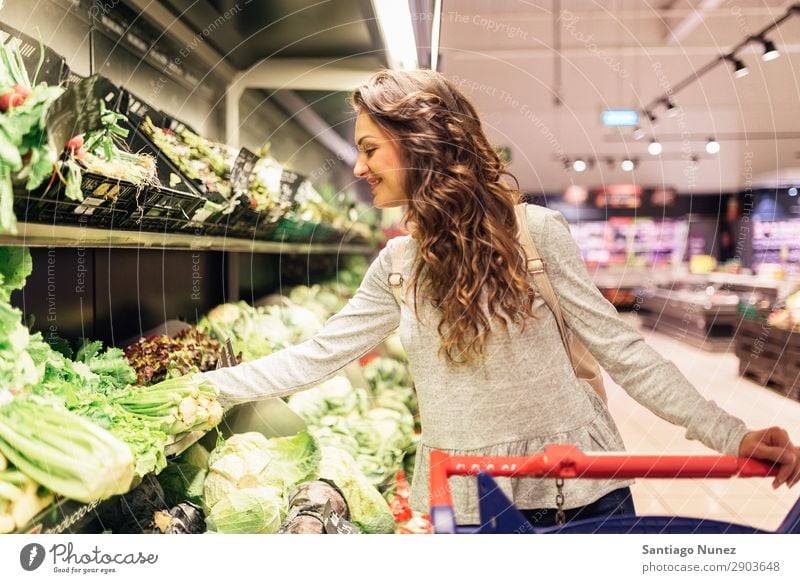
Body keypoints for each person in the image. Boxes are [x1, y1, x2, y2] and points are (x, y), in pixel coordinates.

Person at [199, 69, 799, 528]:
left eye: (370, 148)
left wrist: (731, 434)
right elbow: (316, 355)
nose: (358, 167)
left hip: (579, 489)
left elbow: (623, 351)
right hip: (466, 498)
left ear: (421, 143)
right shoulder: (397, 265)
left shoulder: (536, 234)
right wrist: (202, 389)